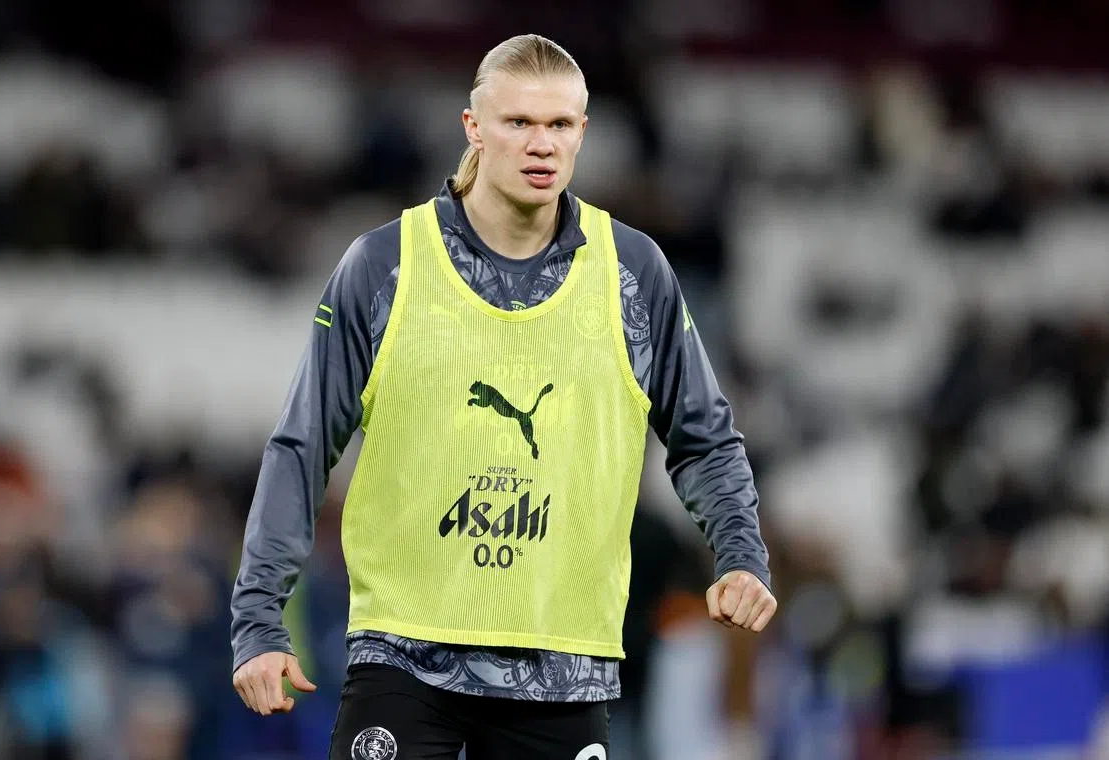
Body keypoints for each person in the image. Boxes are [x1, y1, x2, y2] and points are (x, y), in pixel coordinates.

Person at [230, 33, 776, 759]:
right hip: (404, 656)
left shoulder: (632, 276)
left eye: (559, 124)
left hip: (563, 669)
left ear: (583, 132)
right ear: (474, 128)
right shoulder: (385, 268)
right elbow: (301, 448)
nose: (540, 143)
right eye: (518, 122)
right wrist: (259, 620)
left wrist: (740, 553)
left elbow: (704, 439)